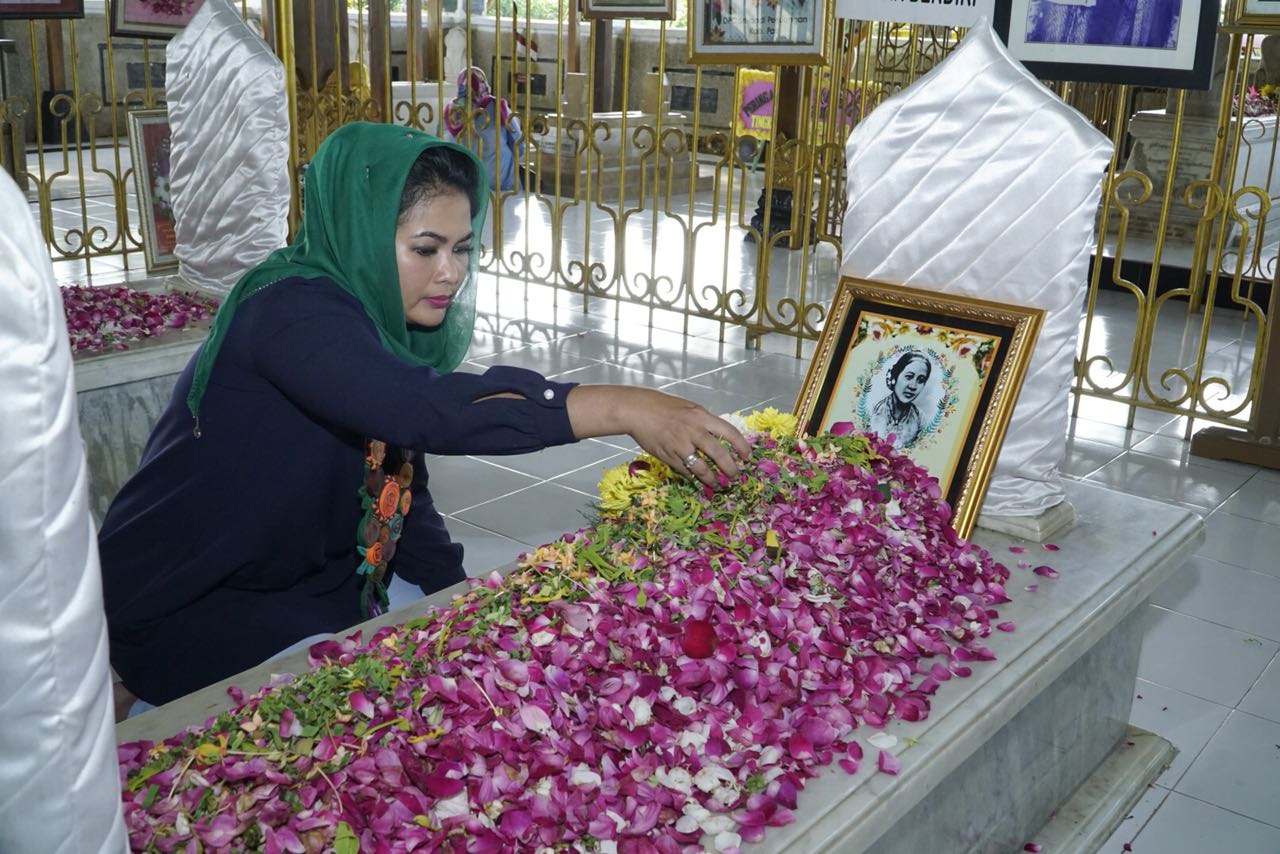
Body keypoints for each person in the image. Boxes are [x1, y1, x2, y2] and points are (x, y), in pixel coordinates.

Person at [100, 122, 748, 713]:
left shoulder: (380, 320)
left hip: (313, 580)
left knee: (461, 668)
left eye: (462, 248)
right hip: (197, 597)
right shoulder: (291, 313)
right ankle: (139, 686)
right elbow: (430, 411)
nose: (451, 273)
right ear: (361, 233)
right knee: (371, 716)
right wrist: (624, 406)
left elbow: (400, 477)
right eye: (426, 248)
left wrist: (460, 602)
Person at [443, 67, 523, 192]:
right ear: (484, 84)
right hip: (501, 186)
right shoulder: (498, 108)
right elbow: (519, 146)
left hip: (462, 189)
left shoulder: (449, 112)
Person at [867, 350, 932, 449]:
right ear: (896, 376)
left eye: (920, 380)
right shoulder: (873, 410)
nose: (913, 386)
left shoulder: (921, 419)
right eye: (909, 377)